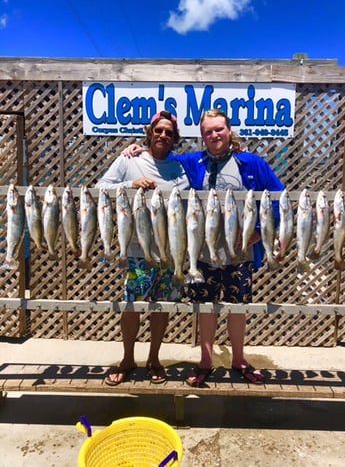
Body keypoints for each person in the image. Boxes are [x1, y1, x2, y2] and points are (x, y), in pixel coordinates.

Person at [125, 108, 285, 387]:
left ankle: (239, 360)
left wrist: (259, 232)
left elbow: (279, 199)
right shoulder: (192, 162)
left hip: (239, 253)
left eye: (219, 129)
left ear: (229, 130)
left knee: (238, 308)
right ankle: (206, 362)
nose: (214, 135)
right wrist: (138, 149)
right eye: (208, 131)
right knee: (206, 309)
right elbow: (162, 156)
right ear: (202, 137)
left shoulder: (252, 163)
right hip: (201, 253)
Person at [96, 110, 190, 385]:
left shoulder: (179, 167)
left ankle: (154, 358)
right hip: (137, 250)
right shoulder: (129, 159)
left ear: (175, 139)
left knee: (160, 307)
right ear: (149, 133)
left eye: (169, 133)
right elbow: (100, 187)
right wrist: (130, 184)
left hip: (169, 251)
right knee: (131, 306)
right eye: (158, 131)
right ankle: (127, 358)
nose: (163, 135)